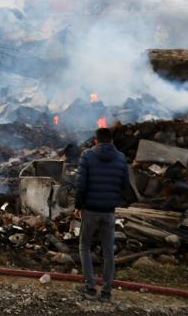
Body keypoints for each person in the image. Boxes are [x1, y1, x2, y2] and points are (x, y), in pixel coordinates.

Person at [73, 126, 129, 302]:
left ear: (95, 141)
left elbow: (80, 184)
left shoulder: (87, 156)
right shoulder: (121, 158)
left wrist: (78, 205)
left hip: (90, 209)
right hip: (109, 211)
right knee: (108, 251)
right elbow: (125, 185)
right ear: (111, 140)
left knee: (84, 246)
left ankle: (90, 288)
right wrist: (113, 201)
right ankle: (106, 292)